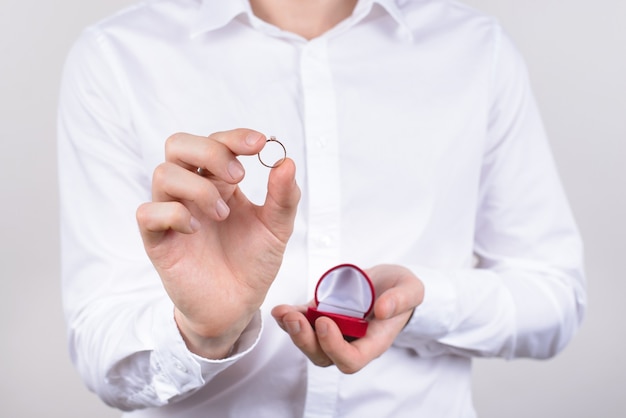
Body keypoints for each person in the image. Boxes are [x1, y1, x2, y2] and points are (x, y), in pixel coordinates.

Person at [57, 0, 586, 416]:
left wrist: (423, 303)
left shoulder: (476, 50)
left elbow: (554, 297)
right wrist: (201, 331)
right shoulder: (118, 57)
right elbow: (102, 355)